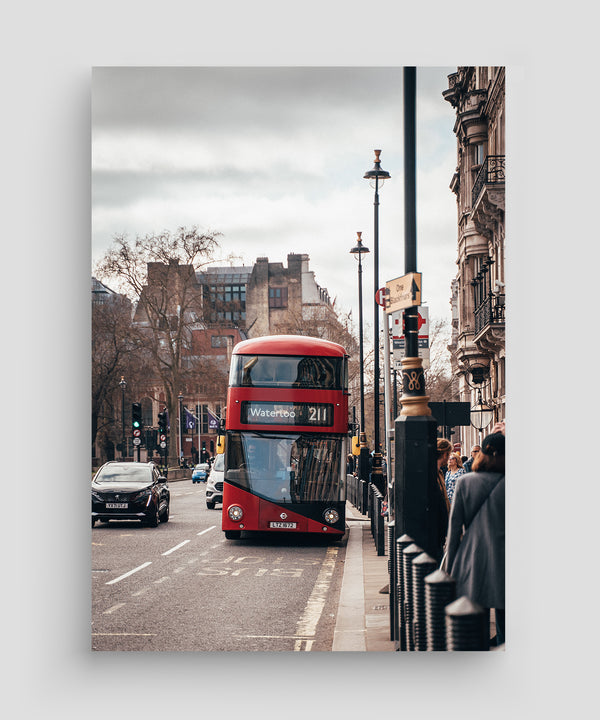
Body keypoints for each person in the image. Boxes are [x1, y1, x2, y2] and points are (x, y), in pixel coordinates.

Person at [445, 431, 505, 646]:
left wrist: (449, 570)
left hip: (473, 560)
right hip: (504, 561)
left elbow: (454, 533)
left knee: (473, 626)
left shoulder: (466, 483)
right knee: (506, 626)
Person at [431, 438, 452, 562]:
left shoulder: (439, 472)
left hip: (440, 531)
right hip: (435, 532)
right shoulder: (432, 472)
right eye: (449, 454)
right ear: (445, 454)